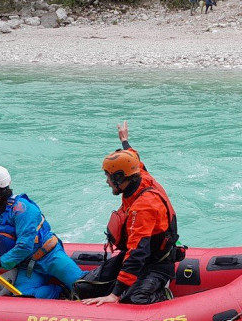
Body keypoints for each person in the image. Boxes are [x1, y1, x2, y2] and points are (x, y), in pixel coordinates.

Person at [77, 122, 182, 306]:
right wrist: (124, 141)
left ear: (119, 178)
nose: (107, 181)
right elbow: (134, 157)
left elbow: (137, 252)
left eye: (108, 176)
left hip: (157, 264)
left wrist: (115, 294)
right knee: (84, 287)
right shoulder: (140, 175)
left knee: (132, 299)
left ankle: (162, 293)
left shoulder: (144, 207)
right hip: (143, 255)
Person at [0, 165, 83, 299]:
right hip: (29, 265)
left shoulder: (24, 209)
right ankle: (60, 292)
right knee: (24, 297)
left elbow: (24, 246)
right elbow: (9, 234)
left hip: (51, 256)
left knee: (83, 287)